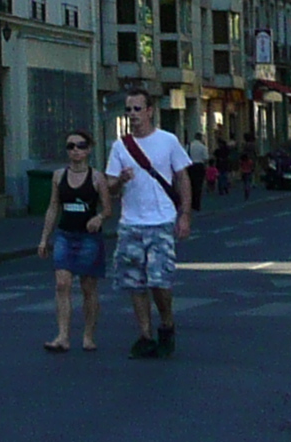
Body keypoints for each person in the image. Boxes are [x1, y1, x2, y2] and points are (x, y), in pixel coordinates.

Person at [103, 88, 196, 359]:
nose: (132, 115)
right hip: (131, 223)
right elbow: (108, 184)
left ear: (149, 111)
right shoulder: (120, 146)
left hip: (161, 220)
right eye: (128, 110)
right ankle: (144, 335)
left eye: (137, 109)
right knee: (135, 282)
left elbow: (182, 178)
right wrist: (120, 180)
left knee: (159, 280)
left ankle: (166, 324)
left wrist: (185, 215)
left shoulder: (167, 141)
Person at [36, 132, 110, 353]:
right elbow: (53, 207)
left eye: (80, 146)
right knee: (62, 284)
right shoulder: (58, 176)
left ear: (88, 150)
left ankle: (88, 336)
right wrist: (44, 239)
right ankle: (62, 336)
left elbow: (107, 208)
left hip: (89, 238)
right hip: (65, 235)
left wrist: (99, 218)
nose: (75, 150)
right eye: (71, 146)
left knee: (88, 287)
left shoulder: (97, 178)